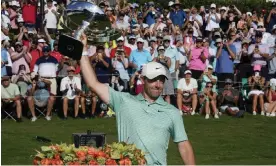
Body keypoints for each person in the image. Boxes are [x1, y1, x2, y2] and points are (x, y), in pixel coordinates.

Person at [80, 34, 195, 165]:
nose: (158, 85)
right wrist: (83, 50)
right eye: (152, 80)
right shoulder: (124, 101)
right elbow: (93, 84)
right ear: (143, 79)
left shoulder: (172, 112)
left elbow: (184, 145)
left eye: (161, 81)